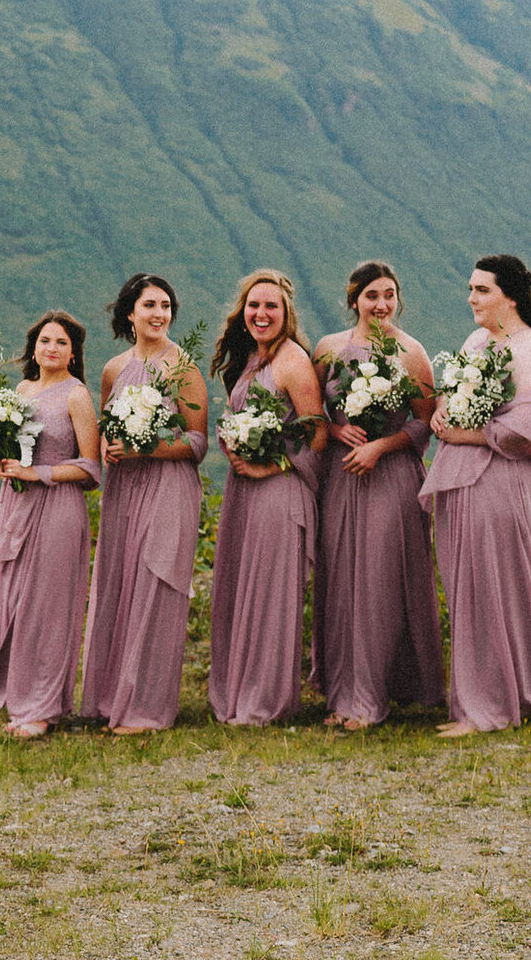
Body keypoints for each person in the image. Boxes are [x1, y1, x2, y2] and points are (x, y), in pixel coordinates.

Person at [424, 254, 531, 735]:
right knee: (471, 590)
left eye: (481, 290)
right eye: (470, 288)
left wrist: (471, 435)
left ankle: (498, 705)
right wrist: (442, 415)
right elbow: (453, 391)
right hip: (467, 483)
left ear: (510, 296)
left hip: (506, 485)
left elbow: (530, 425)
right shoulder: (476, 341)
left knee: (501, 589)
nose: (471, 298)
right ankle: (479, 697)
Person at [312, 261, 443, 731]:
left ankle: (371, 698)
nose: (381, 304)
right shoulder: (328, 350)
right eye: (372, 296)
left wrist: (379, 447)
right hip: (342, 476)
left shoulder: (411, 353)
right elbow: (308, 415)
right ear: (354, 301)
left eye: (389, 295)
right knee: (341, 580)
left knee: (378, 582)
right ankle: (341, 693)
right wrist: (336, 427)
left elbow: (426, 422)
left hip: (390, 476)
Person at [0, 310, 100, 740]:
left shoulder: (76, 396)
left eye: (60, 342)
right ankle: (14, 695)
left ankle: (42, 707)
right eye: (45, 341)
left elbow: (92, 468)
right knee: (13, 604)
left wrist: (37, 473)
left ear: (73, 352)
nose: (51, 348)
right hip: (17, 508)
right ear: (33, 348)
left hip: (58, 508)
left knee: (48, 608)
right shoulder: (20, 390)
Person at [80, 275, 210, 736]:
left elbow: (197, 442)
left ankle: (147, 707)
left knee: (156, 583)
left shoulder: (184, 367)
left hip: (169, 484)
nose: (159, 313)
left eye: (166, 305)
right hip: (124, 488)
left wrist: (146, 448)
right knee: (120, 581)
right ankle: (110, 697)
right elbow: (104, 429)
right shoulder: (113, 369)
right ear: (129, 313)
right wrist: (111, 448)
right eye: (149, 305)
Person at [207, 270, 327, 727]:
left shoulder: (292, 360)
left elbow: (316, 433)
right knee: (242, 589)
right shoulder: (252, 360)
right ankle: (238, 691)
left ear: (286, 312)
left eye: (271, 306)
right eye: (254, 306)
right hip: (245, 491)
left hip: (280, 491)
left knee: (271, 594)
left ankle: (265, 701)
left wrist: (270, 464)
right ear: (242, 312)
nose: (261, 314)